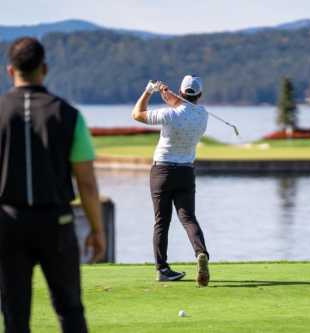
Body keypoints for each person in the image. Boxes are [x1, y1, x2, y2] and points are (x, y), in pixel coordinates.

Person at [0, 37, 106, 332]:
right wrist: (97, 230)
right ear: (44, 69)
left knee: (14, 316)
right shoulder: (69, 115)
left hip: (8, 224)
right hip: (56, 223)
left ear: (10, 71)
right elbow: (87, 183)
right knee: (70, 309)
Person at [132, 76, 210, 287]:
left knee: (161, 221)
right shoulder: (203, 115)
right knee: (188, 218)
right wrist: (169, 94)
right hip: (185, 172)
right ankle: (201, 252)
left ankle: (163, 269)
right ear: (199, 95)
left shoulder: (169, 114)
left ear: (181, 92)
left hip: (162, 171)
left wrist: (150, 90)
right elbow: (181, 105)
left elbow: (137, 114)